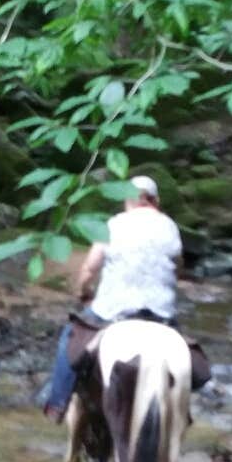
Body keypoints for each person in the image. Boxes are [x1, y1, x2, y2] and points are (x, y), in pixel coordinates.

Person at [41, 174, 184, 418]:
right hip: (161, 312)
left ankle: (57, 402)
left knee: (70, 336)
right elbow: (178, 266)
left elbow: (89, 269)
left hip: (115, 309)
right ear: (155, 201)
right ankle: (183, 412)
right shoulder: (170, 226)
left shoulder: (114, 225)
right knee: (183, 351)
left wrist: (83, 291)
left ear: (127, 200)